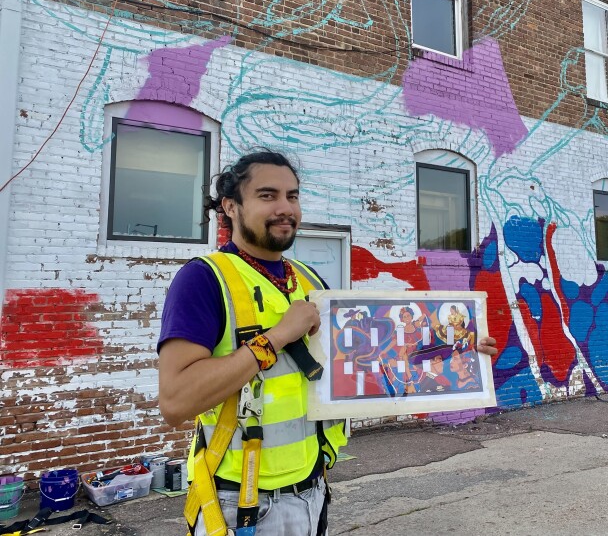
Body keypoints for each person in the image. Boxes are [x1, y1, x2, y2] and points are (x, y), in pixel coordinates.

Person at [158, 150, 497, 535]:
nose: (285, 208)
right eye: (267, 196)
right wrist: (278, 337)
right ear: (231, 206)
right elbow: (176, 401)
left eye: (293, 196)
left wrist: (461, 350)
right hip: (240, 503)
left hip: (312, 489)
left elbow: (377, 357)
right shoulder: (203, 280)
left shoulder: (309, 281)